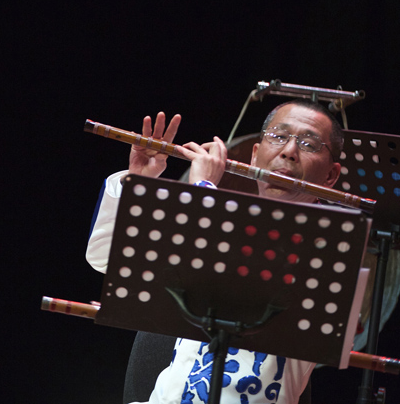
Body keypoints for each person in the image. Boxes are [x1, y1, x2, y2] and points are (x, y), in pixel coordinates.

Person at [86, 100, 343, 404]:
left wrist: (203, 190)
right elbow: (105, 257)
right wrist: (140, 180)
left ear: (330, 176)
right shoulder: (216, 223)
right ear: (255, 154)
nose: (288, 151)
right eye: (278, 136)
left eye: (308, 143)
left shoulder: (328, 251)